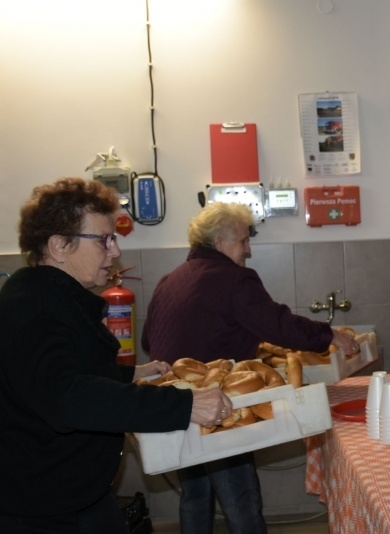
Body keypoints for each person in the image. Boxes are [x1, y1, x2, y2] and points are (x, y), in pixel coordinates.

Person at [0, 178, 231, 533]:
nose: (114, 252)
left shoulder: (55, 297)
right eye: (104, 239)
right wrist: (184, 405)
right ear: (59, 245)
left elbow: (69, 370)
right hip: (42, 510)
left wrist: (131, 375)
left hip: (80, 497)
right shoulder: (32, 307)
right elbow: (67, 397)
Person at [142, 201, 358, 534]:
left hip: (178, 406)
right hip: (219, 408)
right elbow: (279, 325)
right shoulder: (234, 279)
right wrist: (330, 335)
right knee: (239, 497)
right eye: (243, 241)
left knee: (195, 496)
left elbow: (149, 341)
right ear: (219, 243)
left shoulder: (169, 280)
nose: (249, 250)